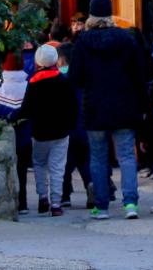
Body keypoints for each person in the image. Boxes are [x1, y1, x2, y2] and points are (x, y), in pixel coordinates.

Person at [69, 0, 147, 220]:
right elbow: (139, 76)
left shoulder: (82, 42)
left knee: (98, 157)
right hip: (124, 106)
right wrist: (142, 106)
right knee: (126, 156)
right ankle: (130, 203)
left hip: (94, 107)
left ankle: (101, 206)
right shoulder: (127, 39)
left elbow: (75, 78)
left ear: (92, 14)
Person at [16, 44, 77, 217]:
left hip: (39, 132)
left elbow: (27, 108)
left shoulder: (34, 81)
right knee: (58, 168)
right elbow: (73, 107)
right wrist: (70, 125)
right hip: (61, 131)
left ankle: (43, 196)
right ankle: (56, 203)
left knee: (39, 164)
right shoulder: (64, 80)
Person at [0, 52, 31, 214]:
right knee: (22, 169)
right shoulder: (29, 86)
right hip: (25, 135)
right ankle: (23, 203)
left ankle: (11, 202)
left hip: (1, 138)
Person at [57, 43, 94, 209]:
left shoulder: (59, 78)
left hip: (65, 128)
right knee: (85, 161)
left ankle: (65, 196)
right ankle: (90, 185)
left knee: (64, 163)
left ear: (62, 59)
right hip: (85, 127)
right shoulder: (85, 78)